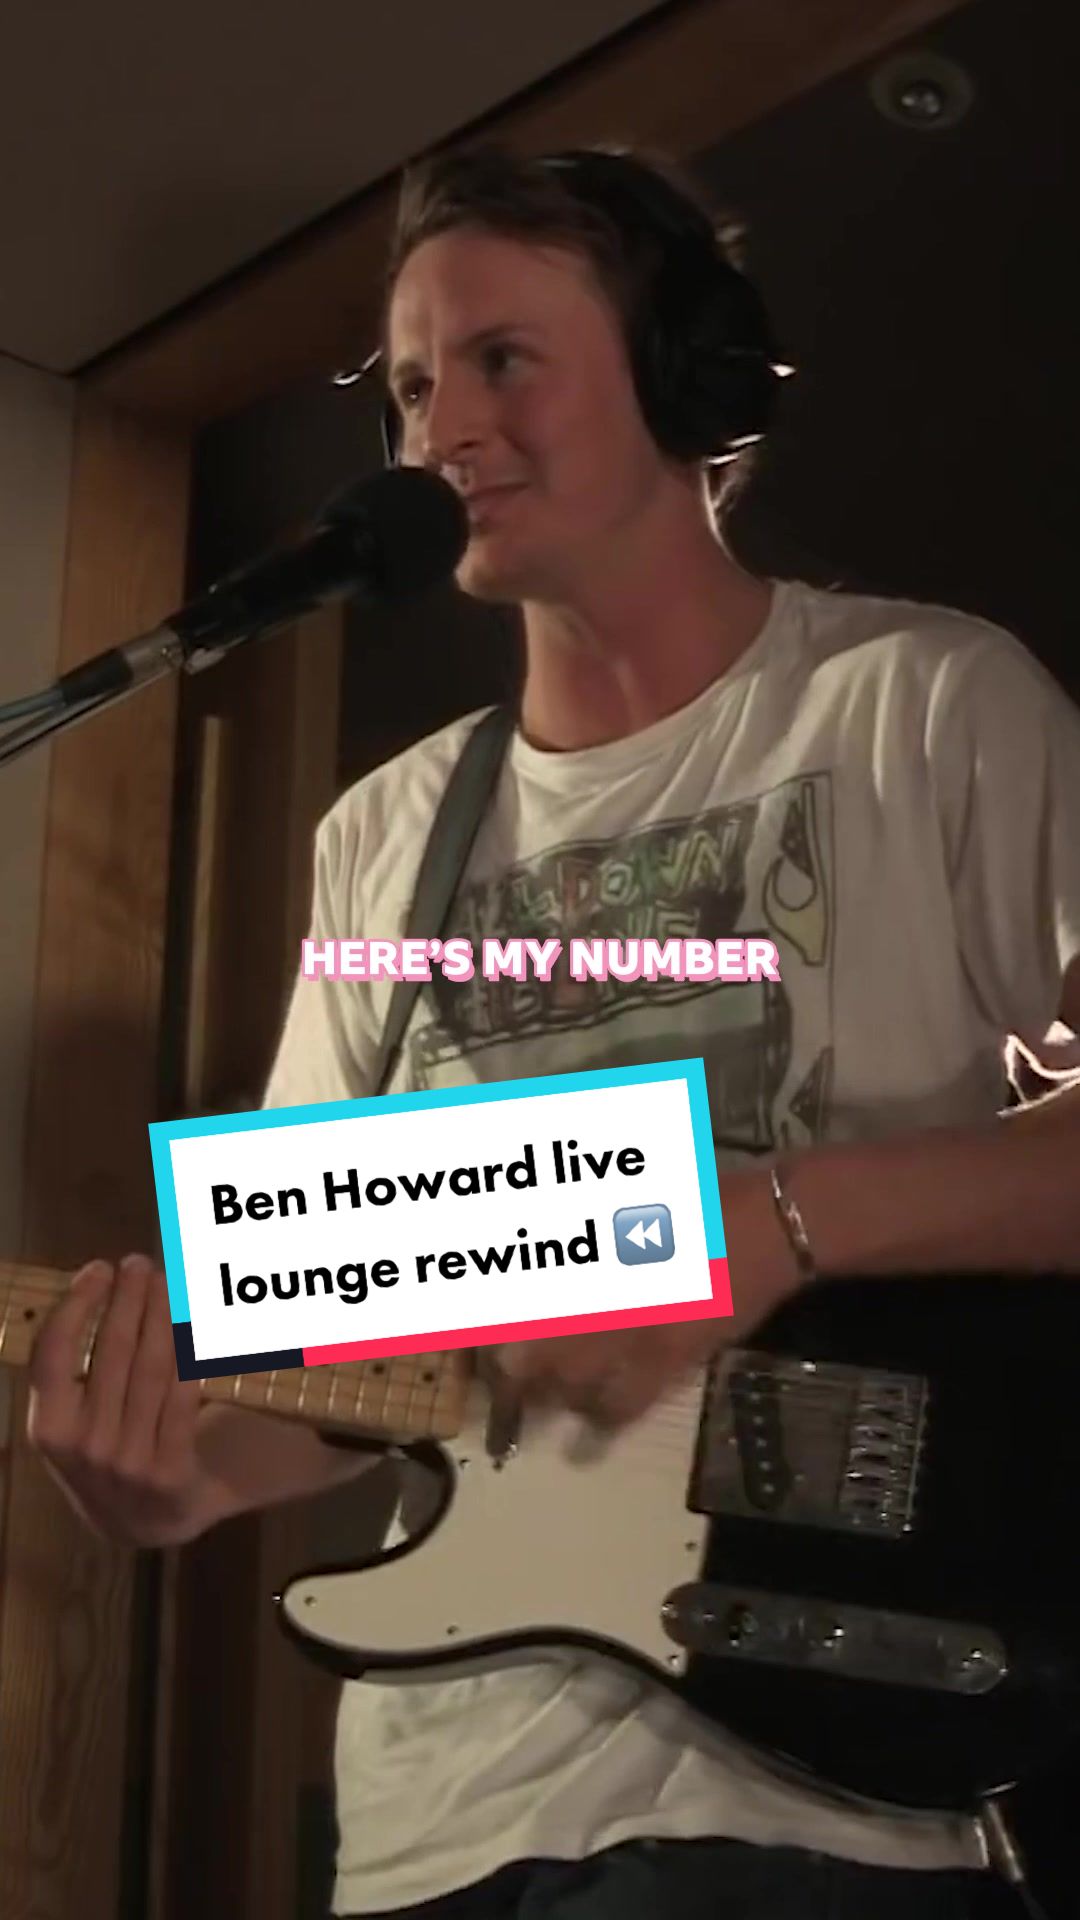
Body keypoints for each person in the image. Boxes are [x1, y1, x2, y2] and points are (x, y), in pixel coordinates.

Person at [27, 143, 1080, 1920]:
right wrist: (157, 1479)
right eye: (412, 386)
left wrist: (768, 1223)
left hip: (813, 1796)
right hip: (434, 1833)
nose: (443, 429)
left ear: (687, 379)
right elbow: (329, 1336)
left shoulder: (918, 705)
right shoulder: (384, 836)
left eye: (503, 360)